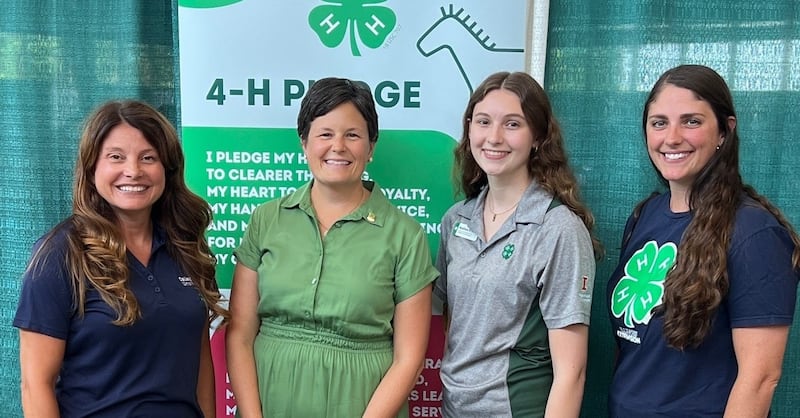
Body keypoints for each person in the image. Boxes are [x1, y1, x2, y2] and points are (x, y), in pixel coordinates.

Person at [225, 77, 438, 418]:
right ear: (304, 143)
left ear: (371, 148)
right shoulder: (266, 220)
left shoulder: (405, 235)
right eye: (325, 134)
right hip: (268, 402)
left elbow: (409, 358)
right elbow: (240, 335)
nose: (338, 146)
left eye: (352, 135)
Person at [607, 64, 800, 417]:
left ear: (724, 132)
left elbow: (761, 378)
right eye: (659, 122)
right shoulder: (644, 215)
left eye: (692, 121)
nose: (672, 137)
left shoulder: (754, 232)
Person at [13, 99, 227, 417]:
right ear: (92, 167)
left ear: (167, 169)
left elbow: (200, 365)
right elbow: (36, 384)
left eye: (148, 158)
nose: (133, 171)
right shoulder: (59, 255)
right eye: (116, 157)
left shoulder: (186, 248)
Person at [435, 71, 601, 417]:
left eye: (512, 124)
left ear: (537, 137)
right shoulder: (456, 220)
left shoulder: (558, 229)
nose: (494, 137)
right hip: (454, 407)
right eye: (483, 122)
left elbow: (572, 373)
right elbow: (454, 322)